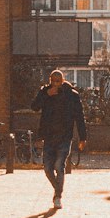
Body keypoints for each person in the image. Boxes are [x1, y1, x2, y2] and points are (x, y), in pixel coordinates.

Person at [30, 69, 87, 209]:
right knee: (47, 168)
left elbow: (79, 117)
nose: (55, 84)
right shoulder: (45, 92)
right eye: (53, 81)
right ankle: (58, 189)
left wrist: (82, 137)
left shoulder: (71, 95)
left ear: (62, 80)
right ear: (50, 80)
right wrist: (45, 96)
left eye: (58, 81)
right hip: (49, 136)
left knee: (59, 166)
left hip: (64, 137)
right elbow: (34, 107)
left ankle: (58, 196)